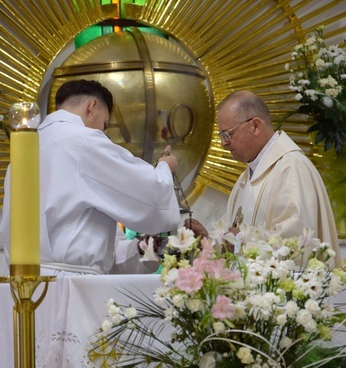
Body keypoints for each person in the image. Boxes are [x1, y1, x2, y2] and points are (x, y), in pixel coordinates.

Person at [0, 79, 181, 275]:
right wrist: (165, 165)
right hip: (71, 287)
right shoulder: (83, 140)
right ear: (92, 106)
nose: (103, 133)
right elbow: (154, 194)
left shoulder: (24, 150)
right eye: (104, 125)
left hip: (22, 284)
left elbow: (84, 239)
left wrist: (141, 250)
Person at [188, 90, 340, 265]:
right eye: (222, 136)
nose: (223, 143)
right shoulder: (246, 178)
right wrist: (209, 240)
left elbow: (295, 242)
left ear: (255, 126)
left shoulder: (290, 168)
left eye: (228, 134)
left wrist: (242, 241)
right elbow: (231, 235)